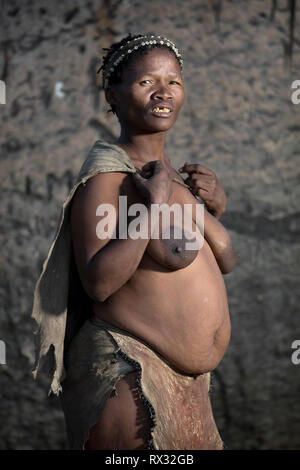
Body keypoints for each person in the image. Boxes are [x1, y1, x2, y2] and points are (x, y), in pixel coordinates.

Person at [32, 33, 237, 451]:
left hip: (189, 385)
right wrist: (155, 205)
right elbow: (100, 283)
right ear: (114, 92)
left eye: (174, 81)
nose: (164, 93)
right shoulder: (109, 179)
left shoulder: (172, 176)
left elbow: (225, 260)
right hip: (129, 372)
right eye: (147, 82)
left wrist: (214, 208)